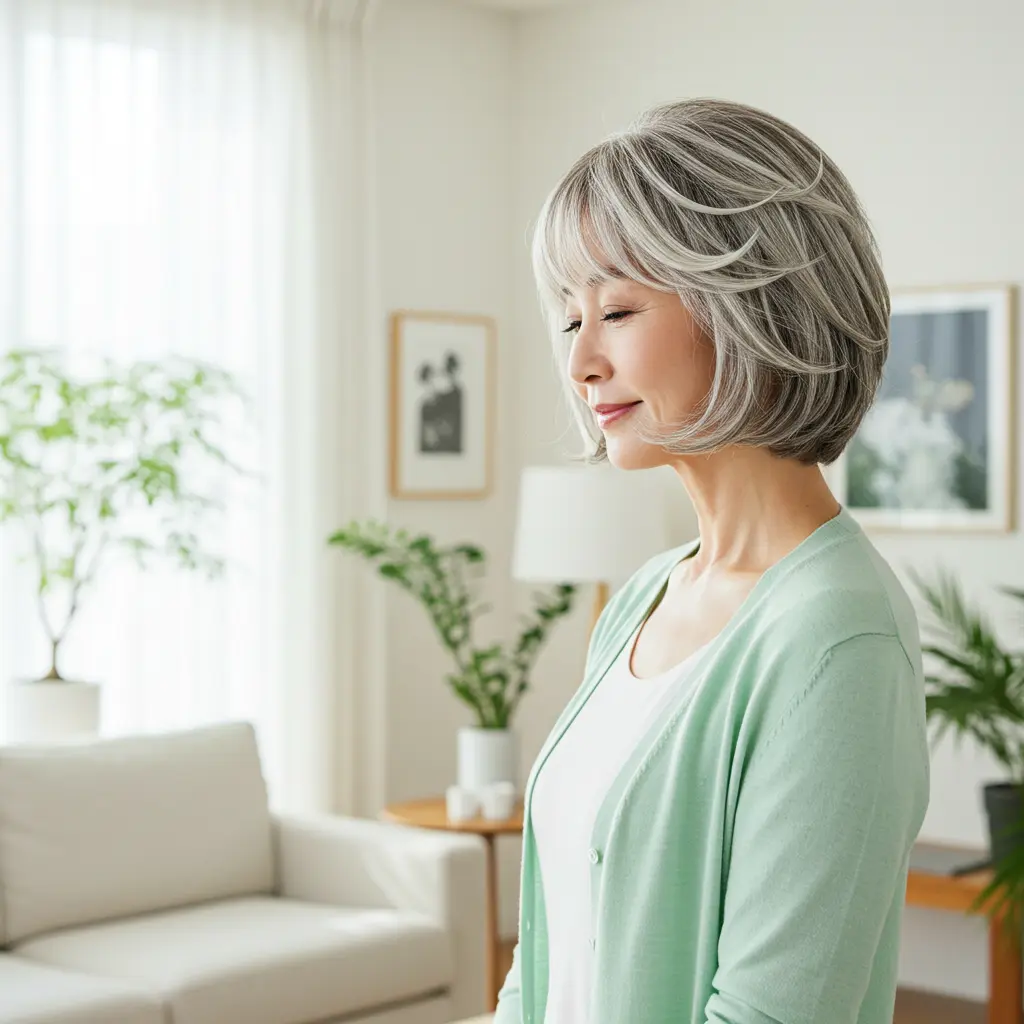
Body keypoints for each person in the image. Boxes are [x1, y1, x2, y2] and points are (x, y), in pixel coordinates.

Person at [494, 98, 929, 1024]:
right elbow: (546, 956)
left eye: (615, 309)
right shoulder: (645, 597)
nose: (581, 362)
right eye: (571, 320)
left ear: (750, 305)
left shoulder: (834, 637)